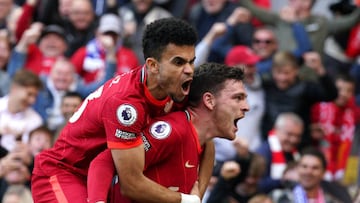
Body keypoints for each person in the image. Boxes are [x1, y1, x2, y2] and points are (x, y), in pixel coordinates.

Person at [31, 17, 209, 203]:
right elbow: (130, 184)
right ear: (153, 66)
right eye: (179, 62)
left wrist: (198, 194)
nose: (189, 70)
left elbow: (207, 133)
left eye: (191, 62)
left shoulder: (178, 90)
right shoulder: (126, 104)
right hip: (64, 172)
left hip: (102, 179)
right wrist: (188, 200)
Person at [87, 62, 249, 203]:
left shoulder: (206, 146)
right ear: (209, 101)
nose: (246, 106)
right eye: (238, 98)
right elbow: (104, 161)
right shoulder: (172, 131)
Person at [310, 74, 358, 181]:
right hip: (317, 168)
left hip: (344, 171)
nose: (343, 94)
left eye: (349, 90)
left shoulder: (354, 113)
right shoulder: (318, 108)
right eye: (339, 89)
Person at [71, 13, 139, 84]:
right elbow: (71, 79)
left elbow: (137, 81)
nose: (110, 38)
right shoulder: (84, 52)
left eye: (113, 34)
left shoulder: (129, 55)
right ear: (97, 33)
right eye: (106, 33)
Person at [273, 147, 352, 202]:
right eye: (304, 166)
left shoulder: (334, 199)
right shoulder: (279, 198)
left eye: (315, 168)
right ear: (297, 169)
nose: (308, 172)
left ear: (323, 173)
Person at [256, 112, 303, 193]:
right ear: (276, 129)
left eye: (298, 136)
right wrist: (283, 180)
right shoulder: (263, 153)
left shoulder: (295, 154)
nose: (294, 140)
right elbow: (257, 184)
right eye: (289, 134)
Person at [0, 69, 43, 152]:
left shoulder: (35, 121)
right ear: (14, 88)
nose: (32, 101)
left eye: (35, 96)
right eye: (29, 94)